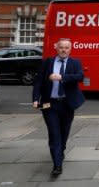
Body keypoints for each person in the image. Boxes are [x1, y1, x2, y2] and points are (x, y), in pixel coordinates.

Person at [33, 38, 85, 176]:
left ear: (70, 49)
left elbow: (80, 76)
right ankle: (57, 166)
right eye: (61, 47)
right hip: (49, 104)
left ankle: (60, 150)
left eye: (66, 48)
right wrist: (35, 99)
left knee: (64, 132)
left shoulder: (75, 63)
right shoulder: (47, 62)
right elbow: (38, 81)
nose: (63, 50)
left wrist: (61, 77)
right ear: (56, 48)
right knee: (54, 133)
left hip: (67, 104)